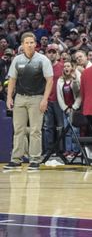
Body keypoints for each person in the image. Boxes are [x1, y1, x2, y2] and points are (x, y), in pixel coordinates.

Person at [4, 32, 53, 170]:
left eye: (32, 42)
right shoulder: (17, 60)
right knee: (18, 130)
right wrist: (9, 97)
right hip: (19, 97)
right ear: (22, 45)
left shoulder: (43, 60)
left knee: (35, 130)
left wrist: (44, 99)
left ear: (35, 44)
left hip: (37, 98)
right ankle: (16, 159)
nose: (30, 45)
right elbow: (12, 79)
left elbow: (50, 80)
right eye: (27, 42)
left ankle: (35, 160)